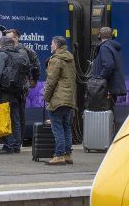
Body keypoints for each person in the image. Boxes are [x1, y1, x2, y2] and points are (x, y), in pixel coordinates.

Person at [0, 36, 30, 154]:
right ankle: (17, 145)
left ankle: (9, 145)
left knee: (5, 118)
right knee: (16, 118)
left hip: (5, 92)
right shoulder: (20, 55)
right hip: (18, 92)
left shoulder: (2, 55)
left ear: (2, 44)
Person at [44, 36, 76, 165]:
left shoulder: (56, 60)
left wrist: (46, 97)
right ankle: (67, 154)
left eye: (52, 44)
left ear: (56, 45)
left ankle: (58, 155)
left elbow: (51, 81)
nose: (51, 46)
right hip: (68, 98)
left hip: (58, 98)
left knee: (57, 127)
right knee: (66, 126)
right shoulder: (69, 58)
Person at [5, 29, 41, 141]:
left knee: (19, 113)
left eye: (9, 38)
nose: (6, 40)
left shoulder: (28, 51)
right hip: (8, 87)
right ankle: (10, 140)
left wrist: (34, 80)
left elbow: (36, 67)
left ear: (16, 38)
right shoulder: (5, 51)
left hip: (21, 87)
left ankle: (18, 140)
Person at [90, 27, 126, 106]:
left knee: (104, 111)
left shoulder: (104, 48)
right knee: (109, 111)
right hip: (111, 86)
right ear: (112, 36)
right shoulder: (112, 47)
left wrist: (101, 78)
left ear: (99, 35)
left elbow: (109, 65)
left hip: (105, 87)